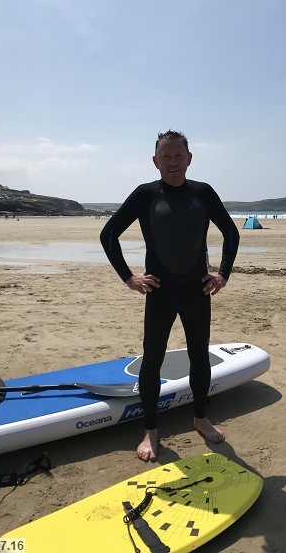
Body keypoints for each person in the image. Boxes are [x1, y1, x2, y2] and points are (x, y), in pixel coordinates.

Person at [100, 130, 240, 462]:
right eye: (166, 156)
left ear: (189, 159)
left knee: (199, 356)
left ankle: (200, 418)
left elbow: (231, 232)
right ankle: (150, 430)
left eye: (179, 156)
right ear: (155, 161)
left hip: (196, 289)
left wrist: (223, 274)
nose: (173, 162)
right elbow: (109, 234)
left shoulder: (202, 193)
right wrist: (129, 278)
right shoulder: (146, 194)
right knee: (152, 359)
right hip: (160, 292)